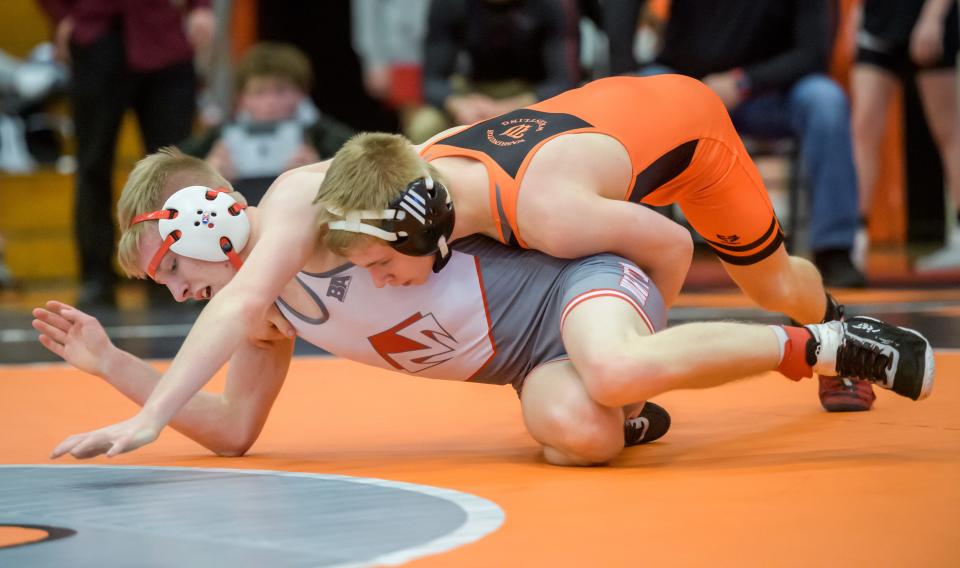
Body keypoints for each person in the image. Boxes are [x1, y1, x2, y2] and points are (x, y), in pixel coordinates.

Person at [37, 148, 934, 466]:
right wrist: (119, 369)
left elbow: (226, 310)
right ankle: (625, 404)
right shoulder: (266, 306)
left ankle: (825, 341)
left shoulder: (300, 204)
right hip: (526, 358)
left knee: (613, 366)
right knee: (578, 434)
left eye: (165, 266)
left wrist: (152, 419)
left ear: (204, 218)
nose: (169, 288)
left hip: (574, 280)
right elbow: (237, 430)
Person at [315, 74, 878, 412]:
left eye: (383, 263)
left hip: (695, 140)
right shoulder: (423, 169)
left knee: (770, 283)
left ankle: (835, 324)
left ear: (424, 229)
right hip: (608, 109)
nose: (379, 278)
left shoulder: (551, 216)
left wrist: (640, 349)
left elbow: (673, 247)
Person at [641, 0, 866, 290]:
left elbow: (813, 55)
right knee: (640, 86)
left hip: (770, 96)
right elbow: (656, 38)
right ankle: (638, 247)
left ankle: (833, 251)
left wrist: (743, 81)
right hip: (695, 91)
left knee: (826, 100)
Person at [37, 0, 215, 307]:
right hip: (97, 36)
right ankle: (96, 276)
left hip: (164, 35)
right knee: (93, 164)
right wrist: (64, 16)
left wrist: (201, 6)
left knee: (175, 166)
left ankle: (182, 267)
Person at [852, 0, 960, 272]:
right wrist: (857, 14)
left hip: (927, 20)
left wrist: (933, 18)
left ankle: (959, 234)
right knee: (863, 127)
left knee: (947, 131)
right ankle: (853, 237)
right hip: (878, 23)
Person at [178, 42, 355, 206]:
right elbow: (168, 167)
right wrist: (205, 175)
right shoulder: (220, 136)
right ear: (242, 98)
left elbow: (366, 170)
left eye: (280, 90)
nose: (270, 102)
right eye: (259, 92)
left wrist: (323, 174)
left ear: (302, 93)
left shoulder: (326, 135)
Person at [407, 0, 580, 143]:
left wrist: (505, 109)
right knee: (425, 126)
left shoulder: (555, 4)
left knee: (572, 132)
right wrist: (459, 104)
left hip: (533, 95)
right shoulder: (450, 4)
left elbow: (565, 82)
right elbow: (431, 81)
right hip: (473, 93)